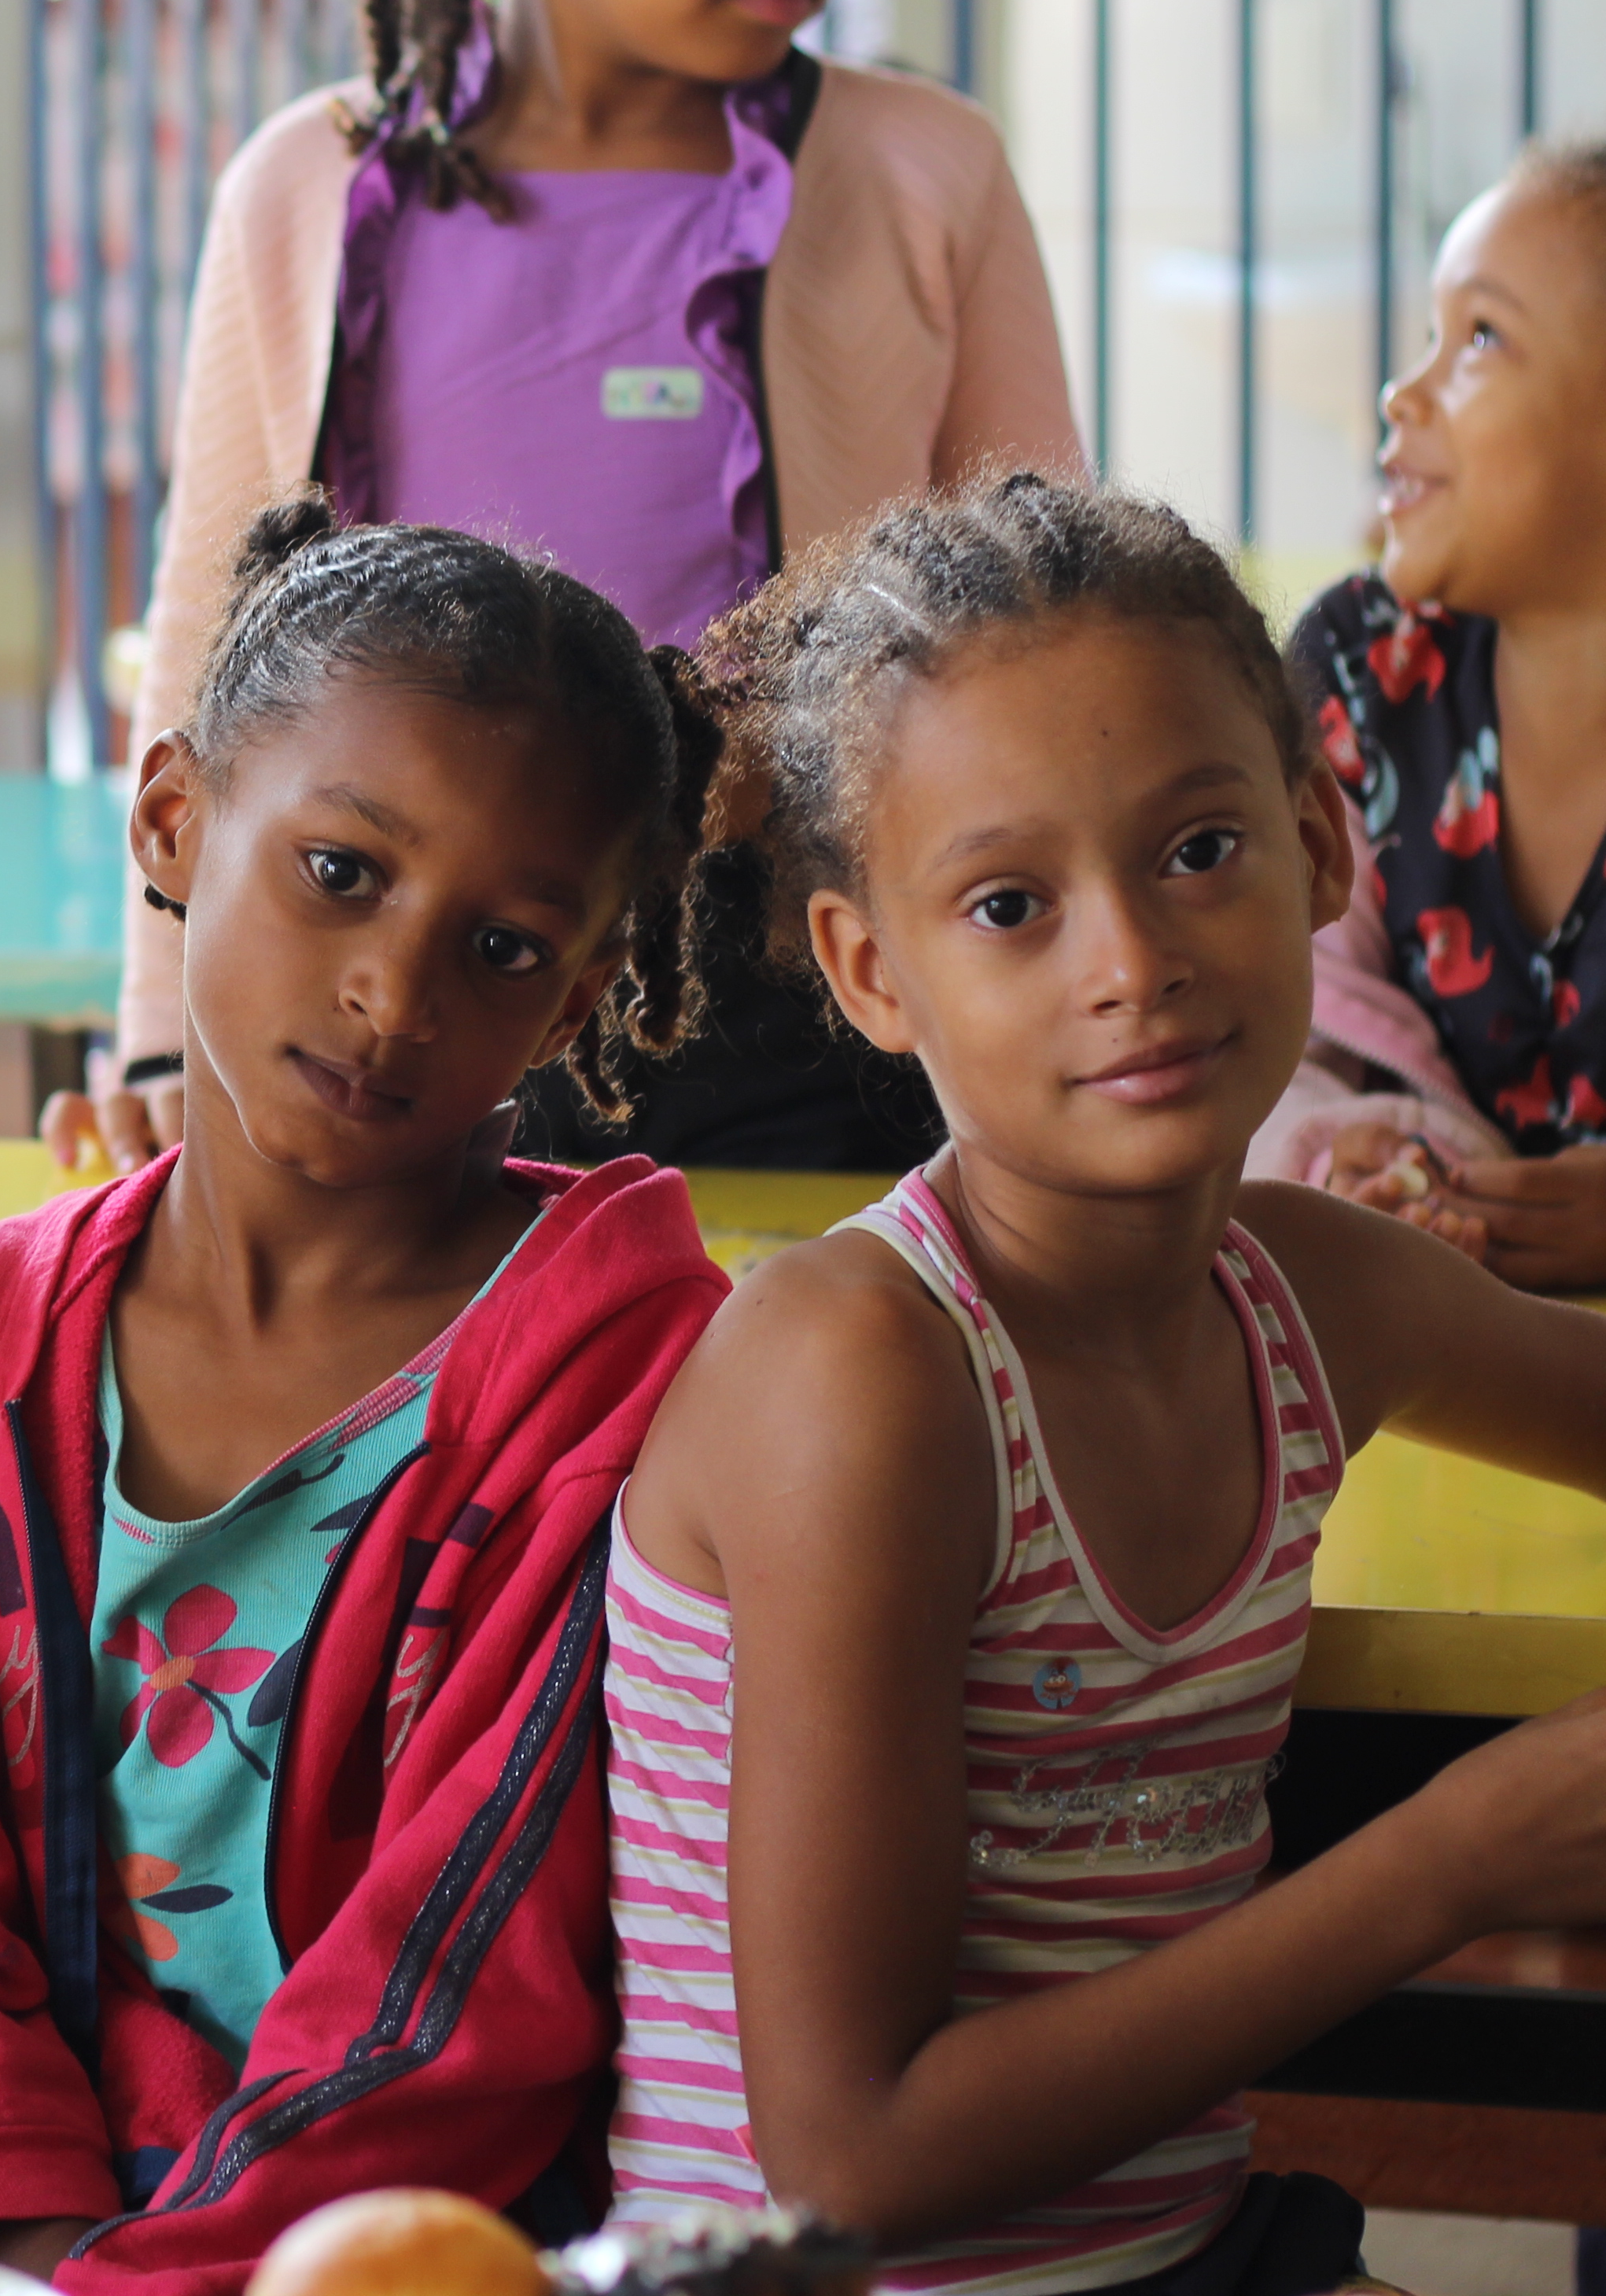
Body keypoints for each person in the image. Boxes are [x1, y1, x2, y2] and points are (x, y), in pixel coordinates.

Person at [610, 477, 1606, 2296]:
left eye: (1198, 849)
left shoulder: (1306, 1294)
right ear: (867, 968)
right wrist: (1450, 1857)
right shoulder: (864, 1371)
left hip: (1184, 2252)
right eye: (1007, 902)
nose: (1130, 961)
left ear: (1320, 839)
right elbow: (849, 2154)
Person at [59, 0, 1077, 1179]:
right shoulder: (310, 195)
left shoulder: (924, 176)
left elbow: (1039, 633)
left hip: (823, 1025)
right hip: (397, 1004)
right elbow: (211, 645)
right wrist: (154, 1041)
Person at [0, 507, 733, 2294]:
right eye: (340, 871)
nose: (390, 989)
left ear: (576, 995)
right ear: (172, 818)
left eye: (500, 948)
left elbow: (473, 1986)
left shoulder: (630, 1389)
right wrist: (29, 2263)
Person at [1254, 142, 1606, 1289]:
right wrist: (1352, 1160)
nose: (1402, 393)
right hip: (1450, 1378)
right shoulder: (1368, 674)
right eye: (1429, 336)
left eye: (1483, 339)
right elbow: (1281, 1020)